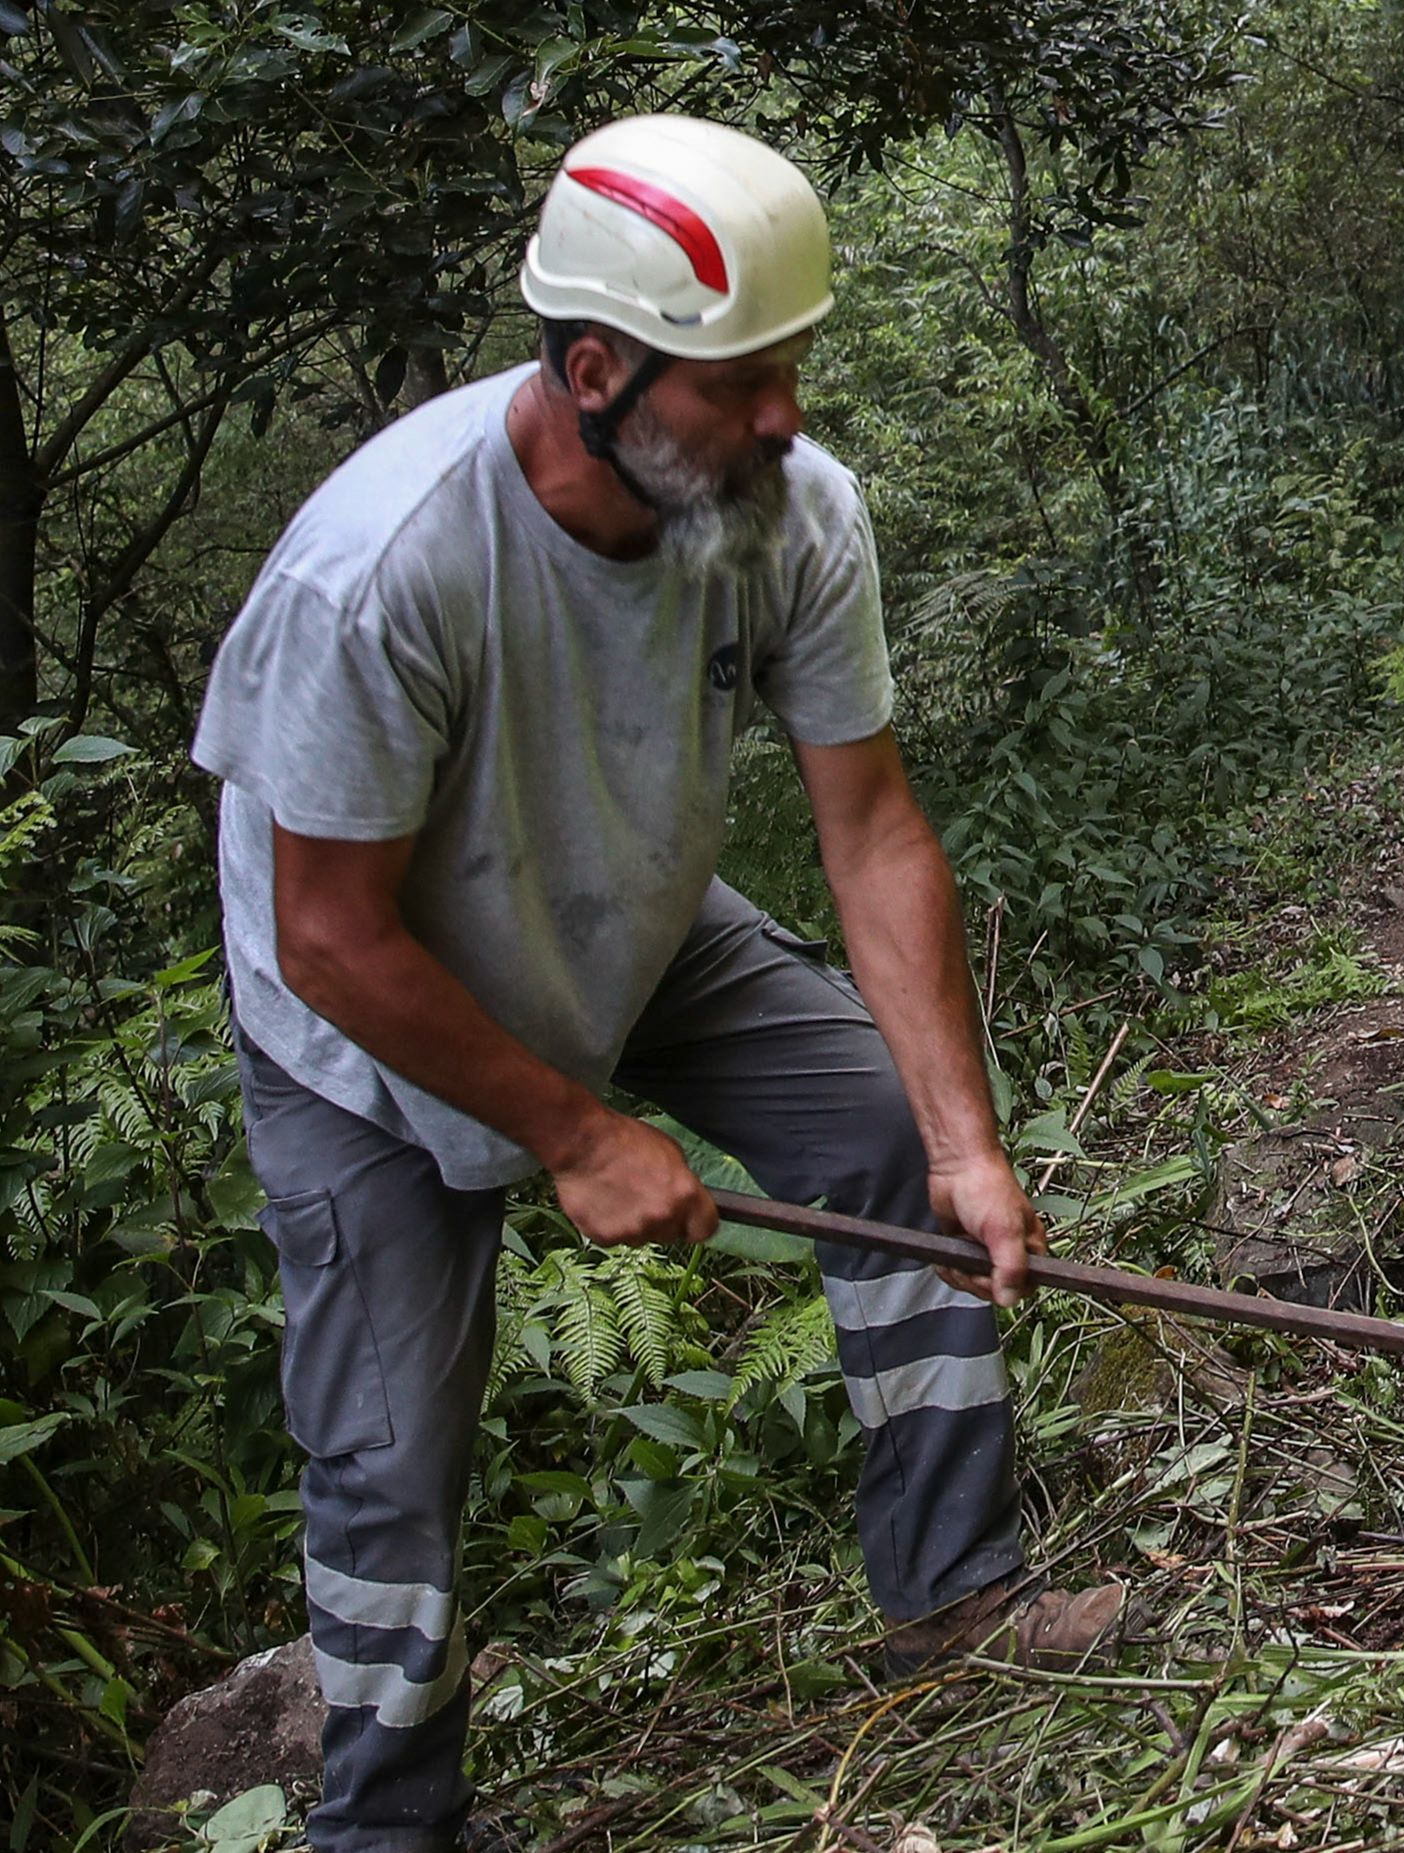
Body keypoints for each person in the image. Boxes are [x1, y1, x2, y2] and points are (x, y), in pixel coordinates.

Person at [192, 116, 1118, 1853]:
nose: (783, 417)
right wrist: (573, 1131)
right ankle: (388, 1823)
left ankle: (955, 1592)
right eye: (741, 381)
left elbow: (872, 831)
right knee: (389, 1444)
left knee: (885, 1141)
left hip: (632, 911)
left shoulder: (790, 513)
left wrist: (964, 1139)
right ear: (596, 369)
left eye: (792, 370)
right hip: (373, 1018)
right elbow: (328, 931)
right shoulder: (385, 564)